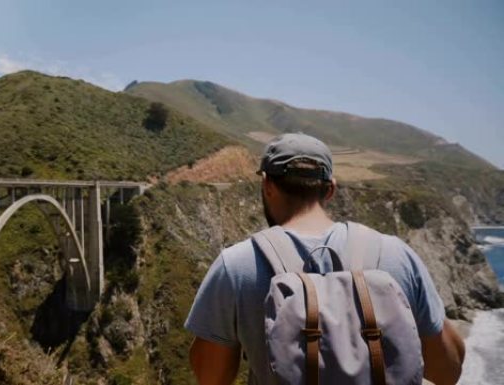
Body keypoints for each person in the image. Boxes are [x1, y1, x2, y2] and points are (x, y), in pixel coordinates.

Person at [184, 133, 465, 385]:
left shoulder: (235, 266)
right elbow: (447, 370)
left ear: (267, 185)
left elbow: (211, 377)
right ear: (330, 189)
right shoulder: (396, 255)